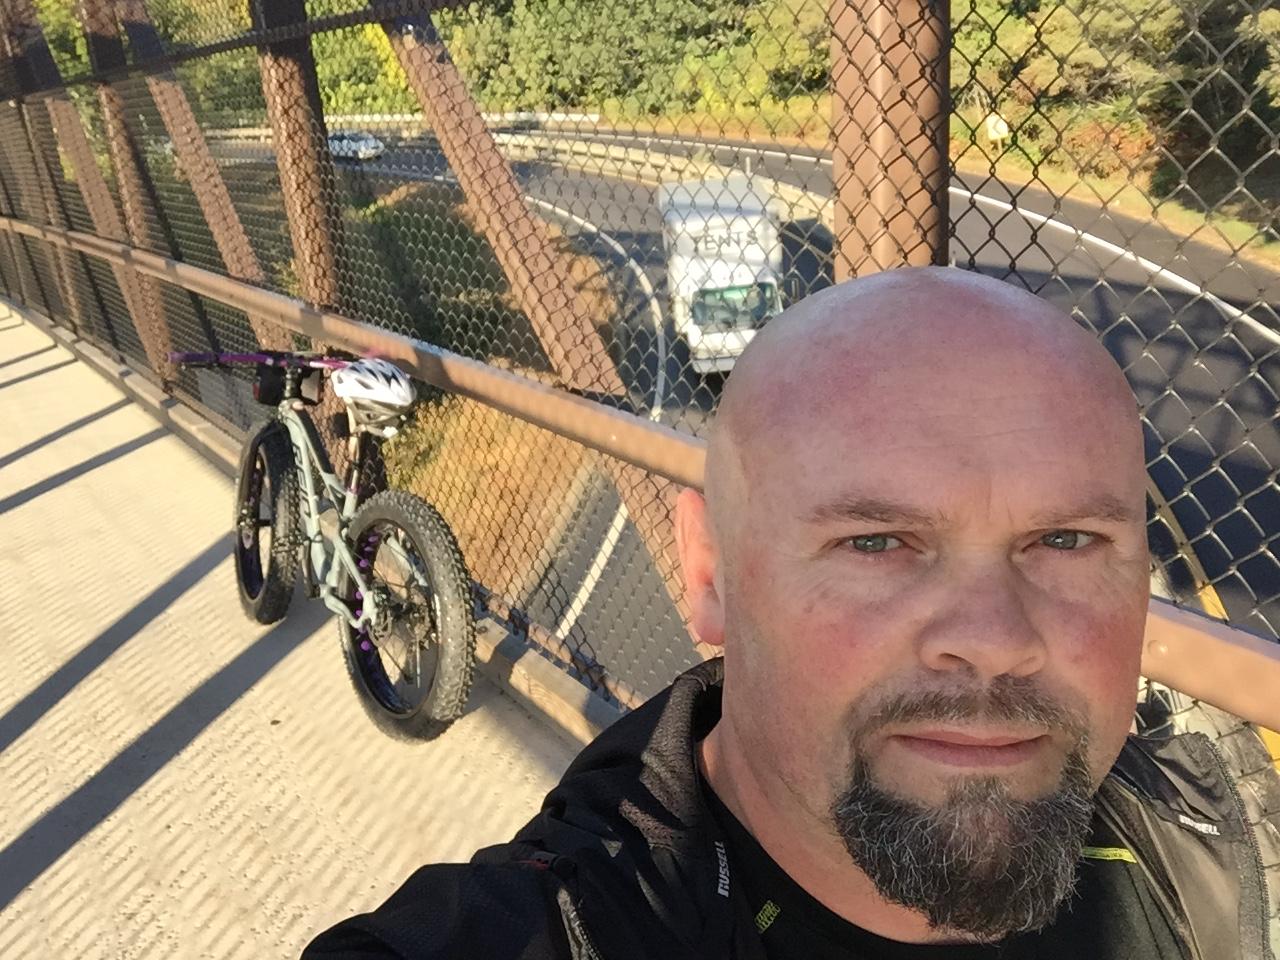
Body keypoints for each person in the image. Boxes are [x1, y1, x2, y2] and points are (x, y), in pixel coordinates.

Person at [305, 268, 1270, 959]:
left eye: (1065, 542)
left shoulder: (1229, 843)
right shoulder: (560, 925)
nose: (995, 639)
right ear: (712, 571)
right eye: (876, 543)